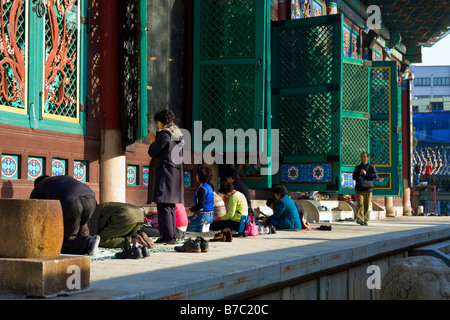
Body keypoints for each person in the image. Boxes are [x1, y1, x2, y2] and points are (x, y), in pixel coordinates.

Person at [30, 175, 100, 255]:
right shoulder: (60, 179)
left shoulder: (39, 188)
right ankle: (90, 241)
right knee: (82, 224)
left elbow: (33, 209)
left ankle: (89, 242)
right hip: (91, 198)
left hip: (71, 202)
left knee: (65, 242)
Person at [147, 109, 184, 244]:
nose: (157, 126)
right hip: (175, 174)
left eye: (158, 123)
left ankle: (167, 237)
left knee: (163, 205)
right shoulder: (178, 133)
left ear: (161, 122)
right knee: (170, 206)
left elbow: (155, 151)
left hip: (165, 173)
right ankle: (171, 236)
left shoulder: (164, 134)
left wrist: (152, 141)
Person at [352, 152, 378, 226]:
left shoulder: (371, 167)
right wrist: (359, 174)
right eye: (361, 157)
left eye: (364, 157)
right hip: (359, 188)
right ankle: (360, 218)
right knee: (360, 203)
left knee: (366, 204)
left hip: (368, 189)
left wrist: (366, 173)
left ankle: (365, 219)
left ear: (367, 158)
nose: (363, 158)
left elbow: (375, 175)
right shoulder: (357, 167)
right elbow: (354, 177)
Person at [186, 165, 215, 232]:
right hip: (210, 216)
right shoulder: (209, 187)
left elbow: (201, 205)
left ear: (198, 177)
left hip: (202, 216)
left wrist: (189, 210)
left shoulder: (201, 189)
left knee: (186, 225)